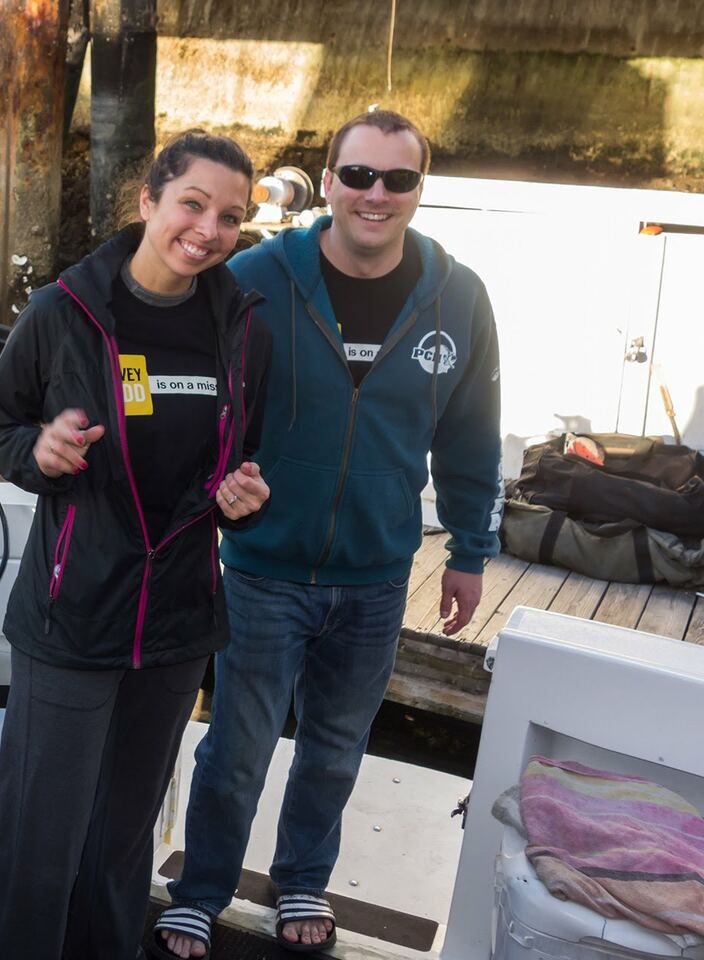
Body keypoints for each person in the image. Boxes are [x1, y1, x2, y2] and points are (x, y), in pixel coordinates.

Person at [155, 110, 502, 958]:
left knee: (336, 750)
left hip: (379, 577)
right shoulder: (256, 277)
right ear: (329, 179)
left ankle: (302, 881)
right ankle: (200, 888)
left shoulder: (460, 298)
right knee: (236, 748)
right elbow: (197, 400)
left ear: (422, 189)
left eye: (398, 179)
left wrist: (467, 551)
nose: (375, 196)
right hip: (263, 569)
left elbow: (470, 435)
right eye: (357, 176)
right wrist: (213, 483)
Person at [0, 130, 274, 960]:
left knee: (123, 842)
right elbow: (2, 427)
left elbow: (240, 467)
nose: (208, 229)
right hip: (71, 615)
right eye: (192, 203)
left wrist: (242, 503)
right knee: (41, 845)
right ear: (148, 201)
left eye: (230, 216)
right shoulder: (63, 313)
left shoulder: (246, 332)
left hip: (178, 625)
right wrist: (37, 452)